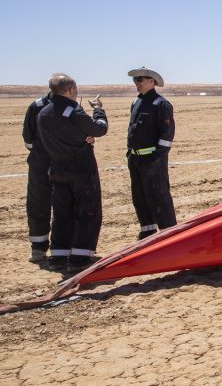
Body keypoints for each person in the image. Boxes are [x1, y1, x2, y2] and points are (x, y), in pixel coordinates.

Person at [35, 74, 108, 272]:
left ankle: (58, 255)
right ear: (70, 90)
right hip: (81, 170)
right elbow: (99, 129)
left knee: (61, 213)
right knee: (87, 211)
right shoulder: (72, 111)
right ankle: (80, 257)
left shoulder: (44, 113)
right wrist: (98, 111)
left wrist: (83, 135)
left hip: (57, 168)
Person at [126, 67, 176, 240]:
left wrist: (157, 157)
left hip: (153, 160)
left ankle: (169, 234)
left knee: (159, 196)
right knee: (139, 197)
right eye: (135, 80)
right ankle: (147, 232)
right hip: (135, 158)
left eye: (140, 80)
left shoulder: (161, 104)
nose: (136, 83)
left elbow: (167, 134)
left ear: (151, 81)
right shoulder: (136, 103)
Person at [22, 90, 53, 263]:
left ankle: (40, 248)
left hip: (41, 163)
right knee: (45, 203)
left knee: (39, 203)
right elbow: (28, 138)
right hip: (54, 163)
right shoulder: (37, 106)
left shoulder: (37, 105)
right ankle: (44, 247)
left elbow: (28, 139)